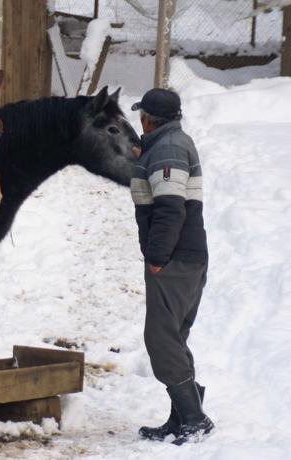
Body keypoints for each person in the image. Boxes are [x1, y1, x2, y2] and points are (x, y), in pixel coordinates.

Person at [129, 88, 213, 445]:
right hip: (185, 256)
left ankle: (194, 419)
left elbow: (169, 208)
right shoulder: (166, 145)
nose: (139, 120)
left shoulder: (167, 150)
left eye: (141, 115)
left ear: (150, 119)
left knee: (161, 340)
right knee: (174, 339)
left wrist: (157, 257)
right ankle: (181, 418)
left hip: (175, 258)